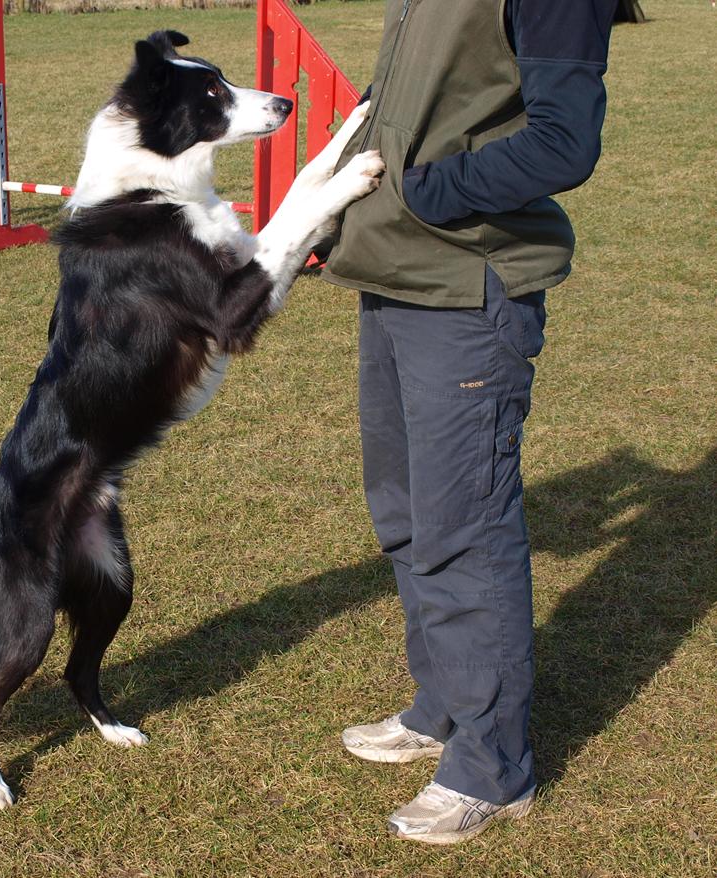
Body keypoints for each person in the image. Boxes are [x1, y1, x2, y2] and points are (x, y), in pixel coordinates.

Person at [320, 0, 620, 845]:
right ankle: (442, 707)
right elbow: (407, 106)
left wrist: (427, 196)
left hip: (466, 285)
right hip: (396, 274)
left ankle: (493, 768)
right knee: (408, 515)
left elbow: (565, 141)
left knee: (465, 529)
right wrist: (342, 214)